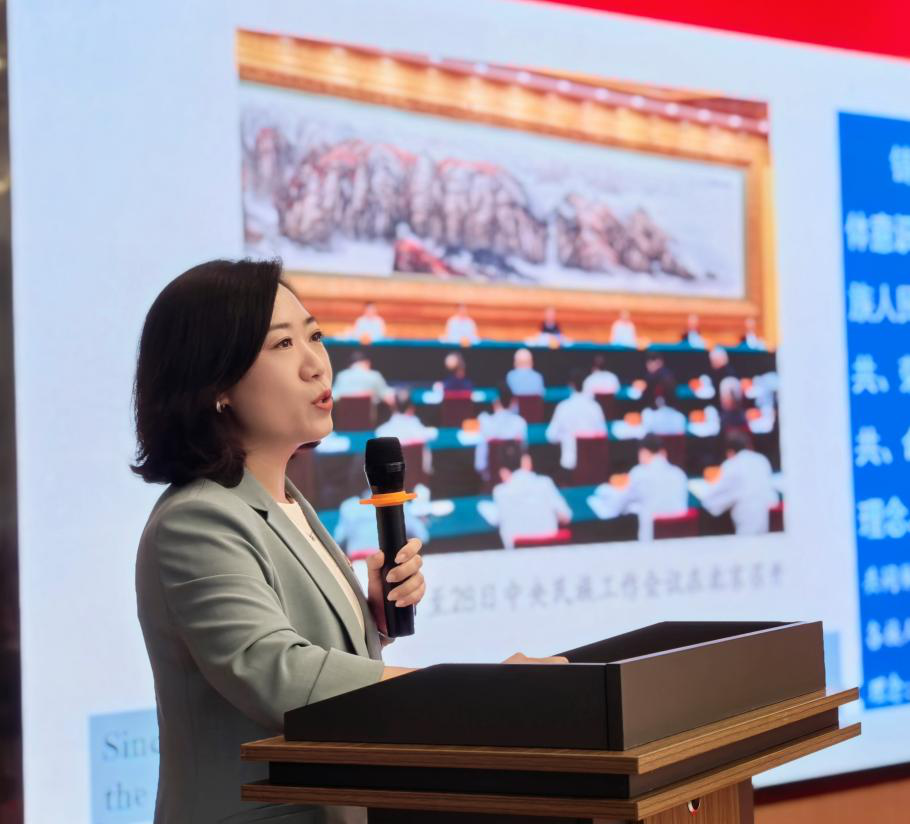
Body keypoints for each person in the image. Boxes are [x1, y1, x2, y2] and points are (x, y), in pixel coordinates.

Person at [131, 259, 563, 824]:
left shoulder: (287, 503)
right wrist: (484, 692)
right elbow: (279, 674)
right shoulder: (197, 520)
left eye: (314, 336)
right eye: (282, 344)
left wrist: (370, 620)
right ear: (216, 386)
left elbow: (305, 653)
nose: (317, 364)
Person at [488, 443, 571, 549]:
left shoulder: (500, 492)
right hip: (548, 552)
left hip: (520, 555)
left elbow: (495, 519)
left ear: (502, 471)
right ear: (526, 461)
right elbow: (566, 516)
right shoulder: (544, 483)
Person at [701, 430, 778, 534]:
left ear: (730, 452)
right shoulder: (762, 459)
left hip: (748, 530)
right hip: (772, 526)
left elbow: (709, 501)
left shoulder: (731, 464)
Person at [621, 434, 689, 540]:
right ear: (663, 453)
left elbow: (622, 502)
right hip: (682, 538)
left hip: (651, 540)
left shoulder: (638, 473)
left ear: (643, 452)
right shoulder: (679, 473)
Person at [545, 368, 607, 471]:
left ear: (571, 385)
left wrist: (565, 437)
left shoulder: (563, 407)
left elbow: (551, 435)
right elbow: (603, 433)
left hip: (571, 464)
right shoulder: (595, 407)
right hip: (592, 465)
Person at [375, 388, 437, 475]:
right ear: (412, 408)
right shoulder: (422, 432)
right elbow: (434, 433)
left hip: (392, 480)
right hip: (418, 481)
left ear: (393, 407)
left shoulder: (380, 432)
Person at [475, 383, 528, 476]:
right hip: (515, 477)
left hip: (493, 479)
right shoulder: (520, 423)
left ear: (495, 402)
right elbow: (524, 456)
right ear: (513, 402)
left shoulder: (484, 422)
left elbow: (479, 465)